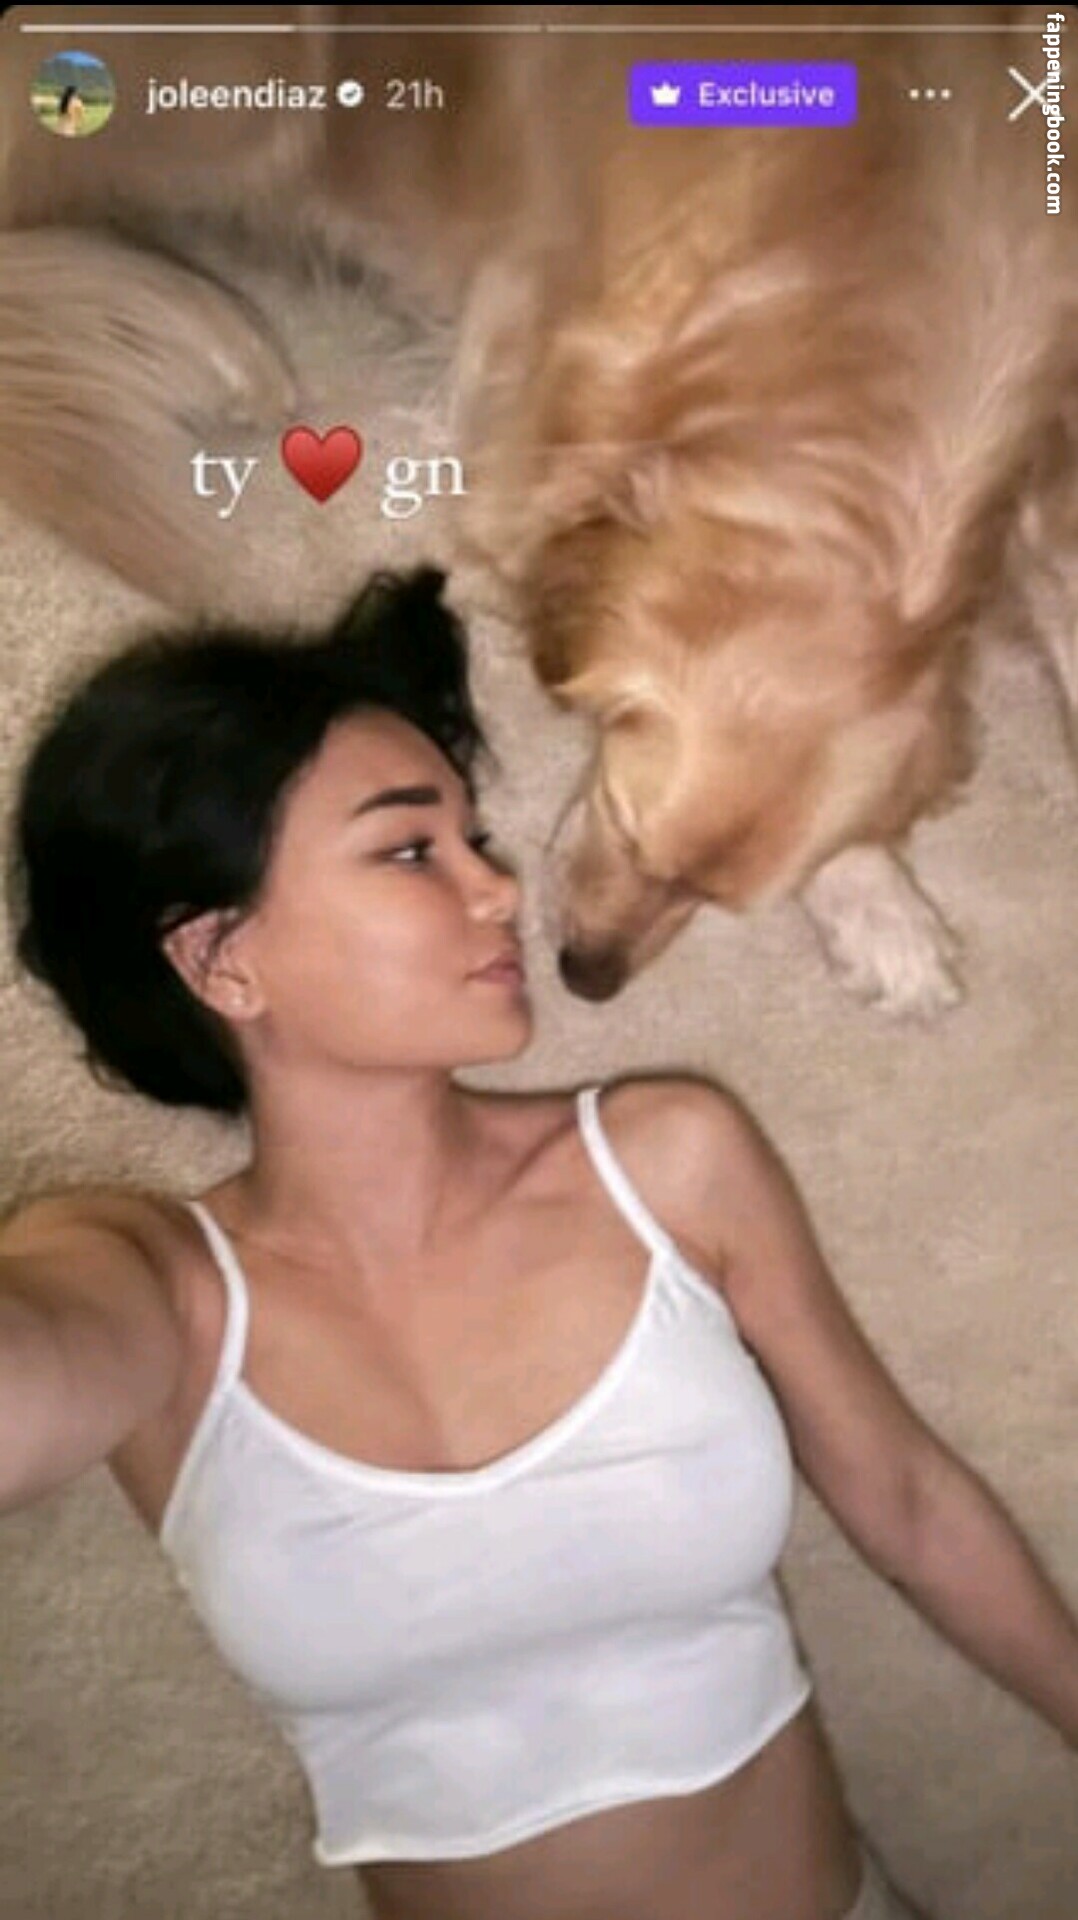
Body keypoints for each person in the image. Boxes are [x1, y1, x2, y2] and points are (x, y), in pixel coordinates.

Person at [1, 566, 1075, 1920]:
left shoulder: (666, 1159)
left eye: (476, 839)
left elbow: (907, 1501)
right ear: (222, 959)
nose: (500, 891)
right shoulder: (149, 1283)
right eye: (411, 851)